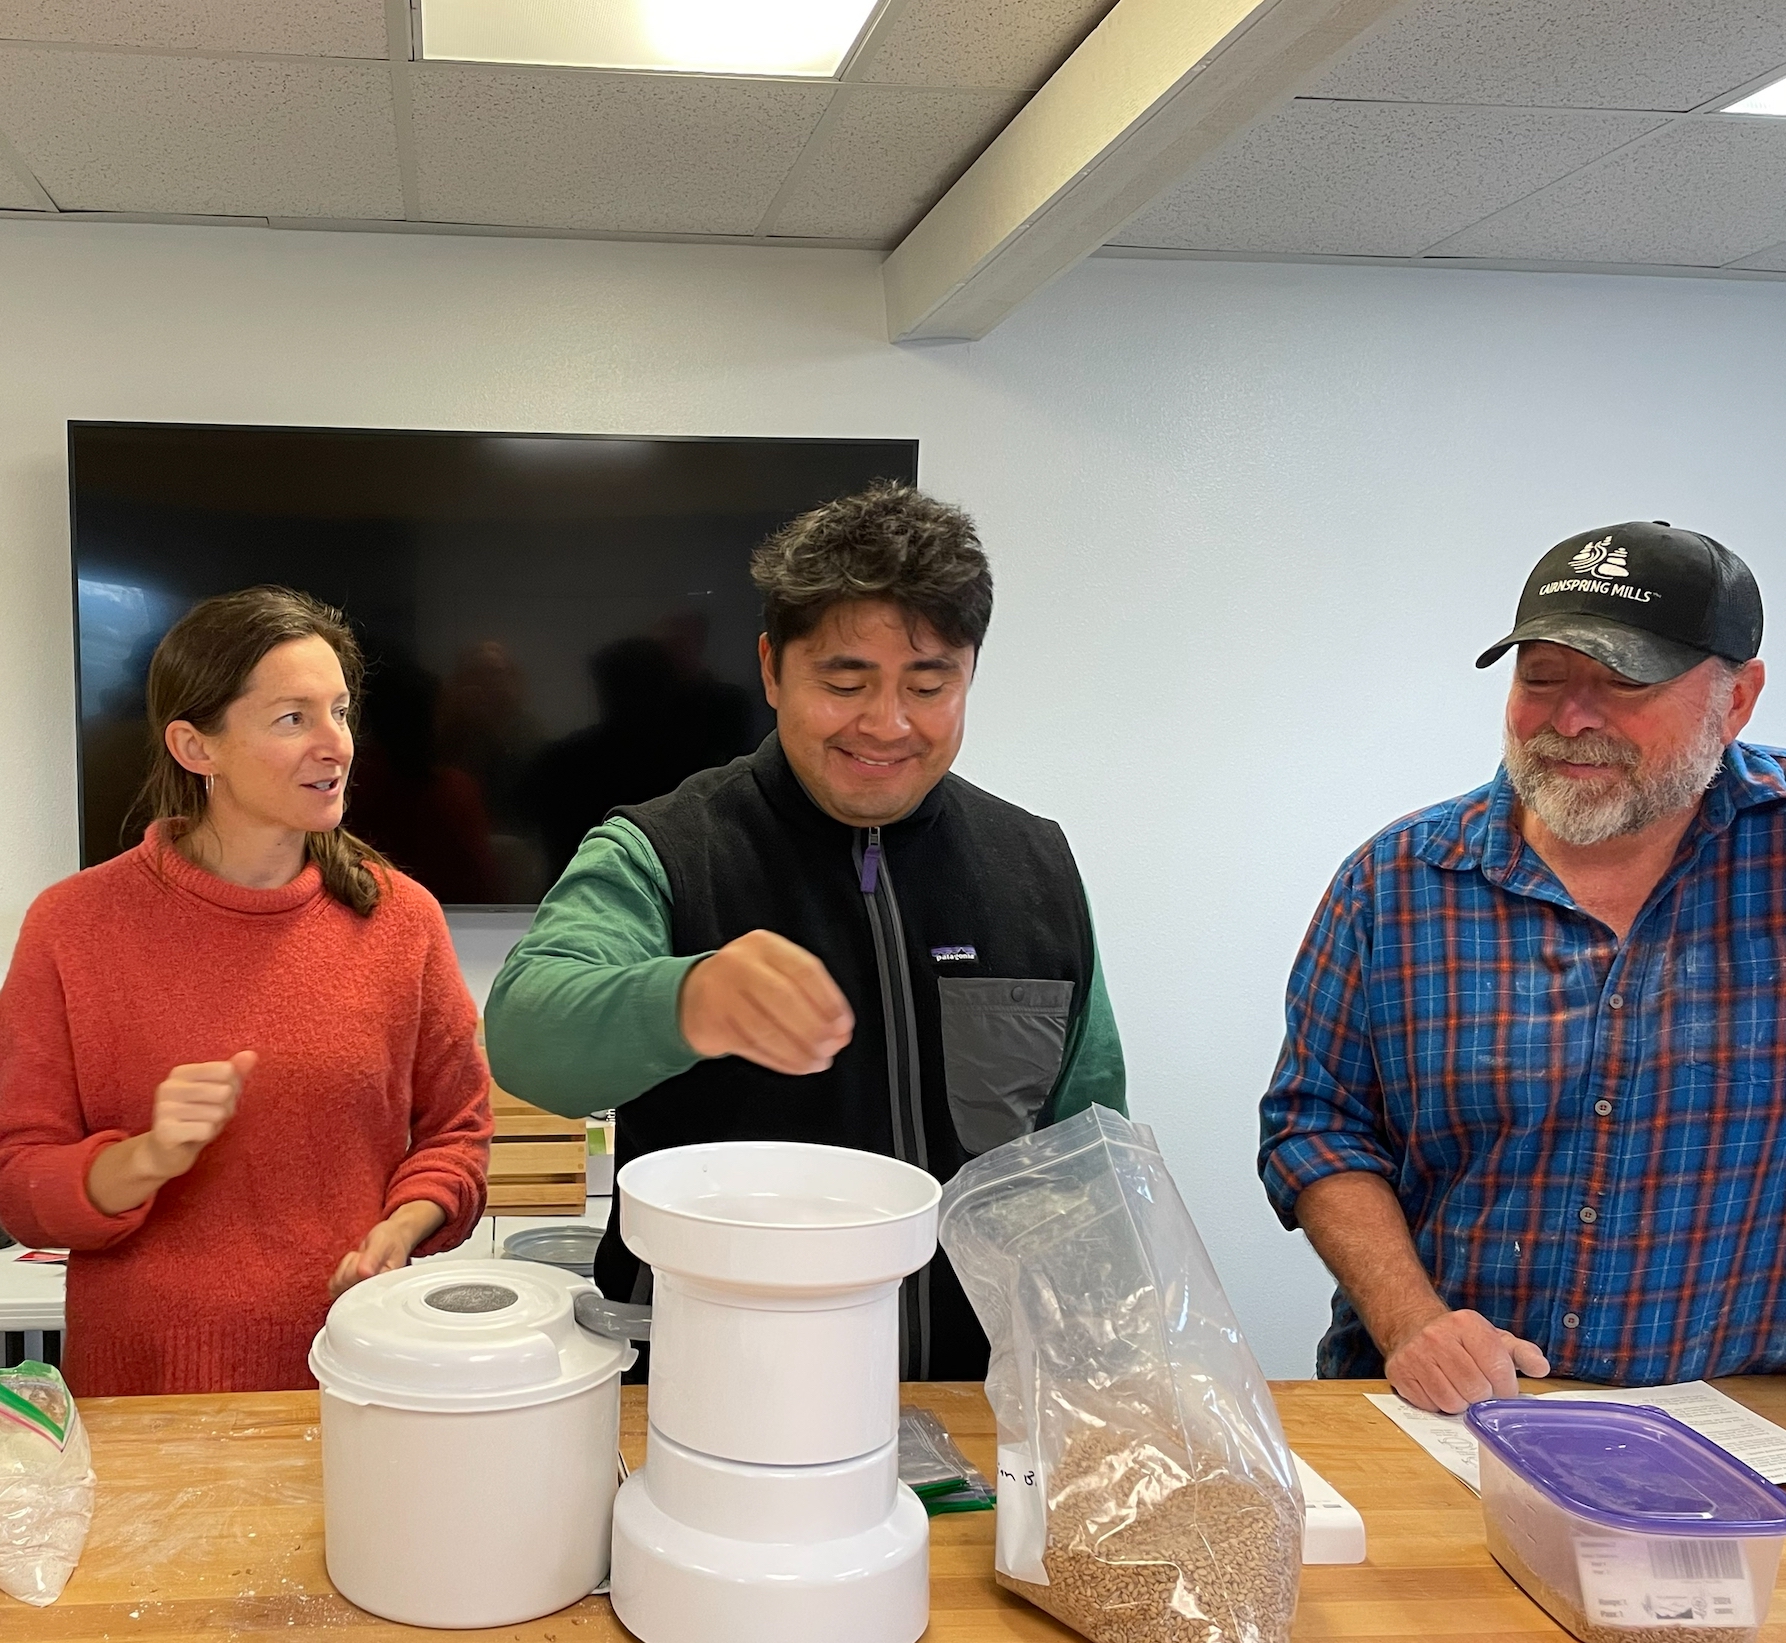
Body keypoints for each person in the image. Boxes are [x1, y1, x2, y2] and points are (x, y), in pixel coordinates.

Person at [487, 482, 1126, 1382]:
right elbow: (527, 1036)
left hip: (979, 1402)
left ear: (970, 673)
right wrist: (689, 998)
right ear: (771, 668)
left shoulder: (1036, 865)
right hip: (715, 1399)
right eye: (844, 680)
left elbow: (1087, 1144)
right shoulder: (663, 851)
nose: (887, 724)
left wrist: (1101, 1360)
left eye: (928, 682)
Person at [1260, 521, 1778, 1413]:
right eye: (1541, 679)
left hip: (1734, 1416)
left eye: (1623, 684)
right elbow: (1317, 1125)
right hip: (1446, 1411)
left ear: (1736, 701)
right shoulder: (1399, 881)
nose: (1572, 718)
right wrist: (1411, 1319)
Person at [0, 587, 491, 1396]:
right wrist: (145, 1158)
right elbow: (22, 1187)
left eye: (339, 711)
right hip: (148, 1394)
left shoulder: (401, 919)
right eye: (292, 718)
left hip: (361, 1371)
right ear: (197, 748)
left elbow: (457, 1136)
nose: (336, 745)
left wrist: (404, 1227)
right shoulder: (71, 927)